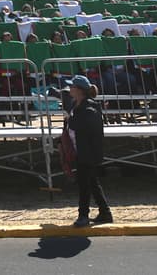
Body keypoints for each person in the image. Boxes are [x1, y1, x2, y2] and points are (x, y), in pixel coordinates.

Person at [63, 75, 112, 227]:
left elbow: (79, 125)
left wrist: (69, 119)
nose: (69, 88)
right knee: (92, 183)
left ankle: (83, 215)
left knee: (84, 185)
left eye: (72, 86)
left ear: (79, 90)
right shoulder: (76, 104)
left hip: (88, 152)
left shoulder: (90, 107)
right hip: (79, 149)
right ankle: (105, 213)